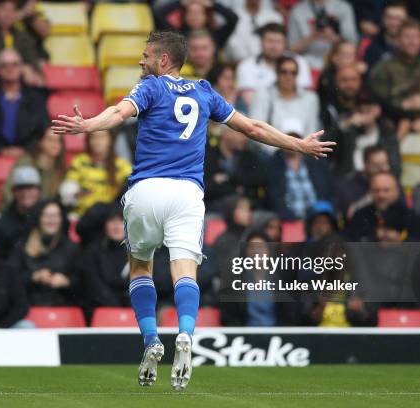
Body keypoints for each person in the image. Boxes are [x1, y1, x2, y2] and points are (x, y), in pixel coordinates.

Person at [51, 30, 333, 390]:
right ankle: (185, 333)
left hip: (147, 189)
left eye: (146, 55)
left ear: (163, 60)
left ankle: (152, 339)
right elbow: (252, 127)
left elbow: (120, 112)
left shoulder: (151, 87)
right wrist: (298, 144)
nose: (141, 61)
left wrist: (88, 124)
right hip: (187, 193)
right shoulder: (204, 90)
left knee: (140, 266)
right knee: (185, 270)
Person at [369, 18, 420, 139]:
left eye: (416, 37)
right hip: (393, 124)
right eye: (407, 37)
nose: (412, 42)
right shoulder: (383, 69)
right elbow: (378, 102)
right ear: (397, 40)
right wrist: (404, 105)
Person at [321, 65, 400, 178]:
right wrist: (345, 126)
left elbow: (395, 166)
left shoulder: (386, 129)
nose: (365, 113)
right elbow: (323, 148)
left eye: (369, 109)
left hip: (380, 181)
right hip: (349, 183)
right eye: (361, 109)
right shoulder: (347, 127)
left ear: (378, 110)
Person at [0, 48, 49, 158]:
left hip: (30, 156)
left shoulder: (36, 99)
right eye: (4, 65)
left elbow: (42, 131)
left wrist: (25, 151)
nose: (10, 69)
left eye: (15, 64)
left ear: (21, 68)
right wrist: (0, 151)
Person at [8, 199, 79, 306]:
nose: (51, 220)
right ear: (38, 218)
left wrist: (67, 281)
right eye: (46, 216)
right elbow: (9, 278)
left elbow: (83, 281)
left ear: (61, 219)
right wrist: (34, 277)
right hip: (28, 308)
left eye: (55, 216)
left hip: (62, 309)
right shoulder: (22, 246)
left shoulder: (71, 248)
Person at [249, 57, 321, 155]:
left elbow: (312, 132)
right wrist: (281, 152)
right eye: (284, 72)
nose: (289, 76)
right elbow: (256, 130)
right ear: (277, 73)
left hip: (302, 153)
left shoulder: (310, 98)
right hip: (271, 152)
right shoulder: (263, 94)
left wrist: (300, 151)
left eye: (293, 72)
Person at [265, 119, 334, 220]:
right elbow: (275, 198)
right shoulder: (272, 165)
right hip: (287, 220)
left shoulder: (316, 161)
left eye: (296, 137)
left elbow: (328, 190)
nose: (292, 142)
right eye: (288, 138)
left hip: (318, 218)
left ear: (302, 139)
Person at [236, 23, 312, 107]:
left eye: (278, 42)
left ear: (285, 43)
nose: (274, 46)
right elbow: (252, 104)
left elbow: (304, 98)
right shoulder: (246, 66)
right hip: (258, 117)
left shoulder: (299, 62)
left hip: (294, 114)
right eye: (270, 41)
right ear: (261, 42)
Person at [59, 130, 132, 217]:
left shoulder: (122, 165)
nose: (97, 141)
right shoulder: (80, 161)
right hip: (82, 215)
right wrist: (75, 193)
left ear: (111, 139)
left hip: (108, 217)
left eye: (102, 137)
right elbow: (67, 193)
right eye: (93, 137)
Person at [0, 0, 42, 86]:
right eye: (4, 10)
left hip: (20, 88)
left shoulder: (21, 36)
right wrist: (18, 68)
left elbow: (33, 62)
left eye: (12, 10)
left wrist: (29, 71)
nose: (8, 14)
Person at [0, 127, 64, 210]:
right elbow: (8, 191)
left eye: (58, 140)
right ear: (41, 142)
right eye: (50, 140)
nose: (55, 144)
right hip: (18, 213)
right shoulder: (25, 162)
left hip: (43, 217)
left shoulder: (60, 170)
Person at [345, 171, 420, 241]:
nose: (381, 195)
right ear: (370, 192)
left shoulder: (409, 217)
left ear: (397, 191)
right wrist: (374, 237)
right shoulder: (360, 216)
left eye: (386, 190)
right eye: (376, 190)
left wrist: (399, 240)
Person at [287, 0, 358, 69]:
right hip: (307, 63)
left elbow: (352, 43)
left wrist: (333, 36)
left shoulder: (343, 7)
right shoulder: (298, 10)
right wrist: (313, 36)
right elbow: (292, 49)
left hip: (338, 63)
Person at [0, 166, 41, 259]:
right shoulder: (1, 224)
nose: (25, 193)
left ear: (38, 191)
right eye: (21, 188)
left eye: (30, 188)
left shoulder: (48, 219)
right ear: (13, 191)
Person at [153, 0, 238, 49]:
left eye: (199, 12)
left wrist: (212, 4)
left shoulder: (216, 36)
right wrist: (181, 3)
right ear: (184, 17)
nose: (194, 16)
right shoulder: (176, 35)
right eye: (190, 13)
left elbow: (233, 19)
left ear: (206, 16)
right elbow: (158, 15)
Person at [364, 0, 408, 70]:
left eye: (398, 19)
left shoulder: (414, 46)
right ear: (383, 19)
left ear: (406, 20)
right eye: (389, 18)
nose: (393, 23)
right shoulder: (373, 47)